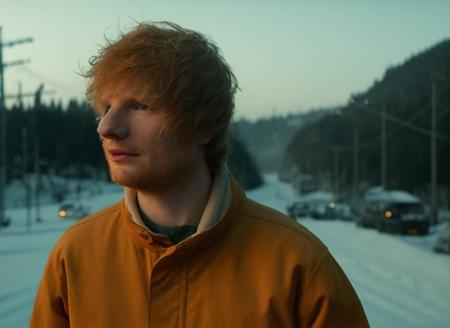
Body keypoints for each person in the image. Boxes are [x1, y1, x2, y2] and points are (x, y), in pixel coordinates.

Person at [30, 21, 369, 327]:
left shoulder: (300, 265)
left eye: (140, 106)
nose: (107, 127)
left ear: (205, 124)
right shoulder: (73, 257)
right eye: (106, 108)